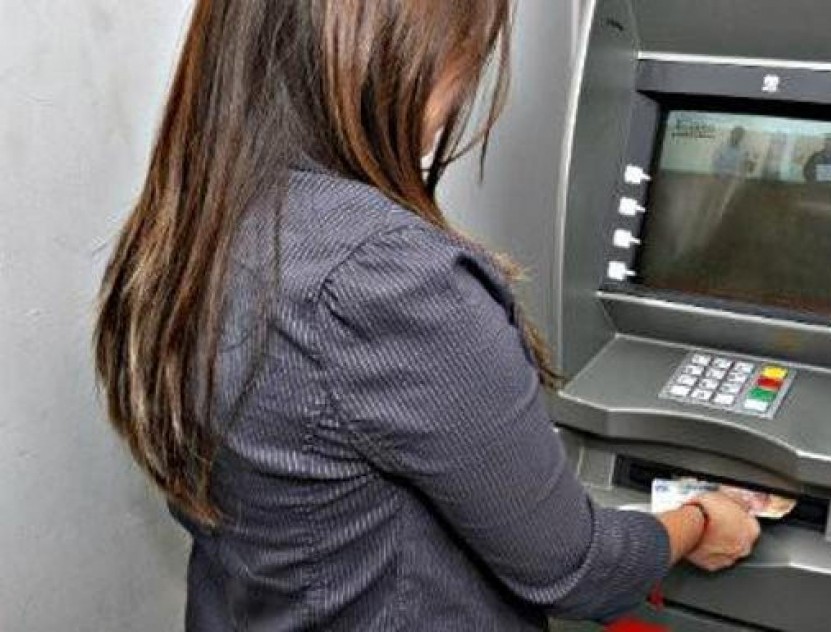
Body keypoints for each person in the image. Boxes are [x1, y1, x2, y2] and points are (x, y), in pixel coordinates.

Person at [94, 2, 761, 631]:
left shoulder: (187, 228)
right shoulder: (388, 279)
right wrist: (702, 521)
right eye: (460, 54)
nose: (463, 90)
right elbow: (574, 567)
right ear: (378, 50)